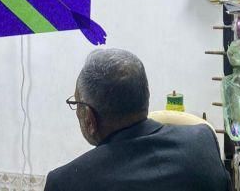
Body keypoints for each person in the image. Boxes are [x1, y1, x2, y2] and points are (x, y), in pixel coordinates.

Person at [45, 48, 230, 191]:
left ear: (89, 118)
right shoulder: (202, 141)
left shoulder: (65, 183)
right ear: (146, 95)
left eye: (76, 103)